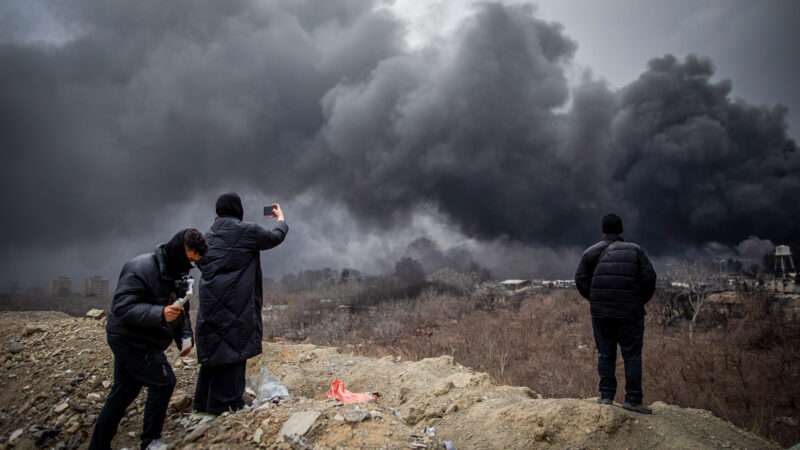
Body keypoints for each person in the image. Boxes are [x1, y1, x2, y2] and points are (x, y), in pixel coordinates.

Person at [89, 229, 208, 450]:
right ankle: (150, 442)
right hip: (128, 338)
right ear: (178, 250)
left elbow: (183, 306)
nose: (191, 265)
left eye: (195, 261)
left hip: (146, 338)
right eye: (190, 258)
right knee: (164, 382)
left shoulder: (179, 274)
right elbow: (122, 307)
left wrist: (184, 337)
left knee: (124, 390)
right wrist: (160, 313)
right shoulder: (140, 268)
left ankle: (98, 446)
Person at [193, 192, 288, 415]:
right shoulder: (245, 231)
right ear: (238, 210)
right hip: (237, 304)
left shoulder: (207, 236)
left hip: (210, 304)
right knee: (236, 351)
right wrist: (281, 220)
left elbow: (201, 263)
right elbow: (274, 237)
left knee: (214, 354)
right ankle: (227, 403)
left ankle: (203, 402)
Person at [574, 213, 657, 414]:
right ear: (621, 230)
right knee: (632, 355)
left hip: (601, 313)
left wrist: (595, 299)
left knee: (605, 353)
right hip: (630, 312)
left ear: (603, 230)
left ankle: (606, 397)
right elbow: (649, 280)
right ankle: (633, 400)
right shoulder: (636, 251)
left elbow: (581, 280)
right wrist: (637, 302)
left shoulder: (590, 253)